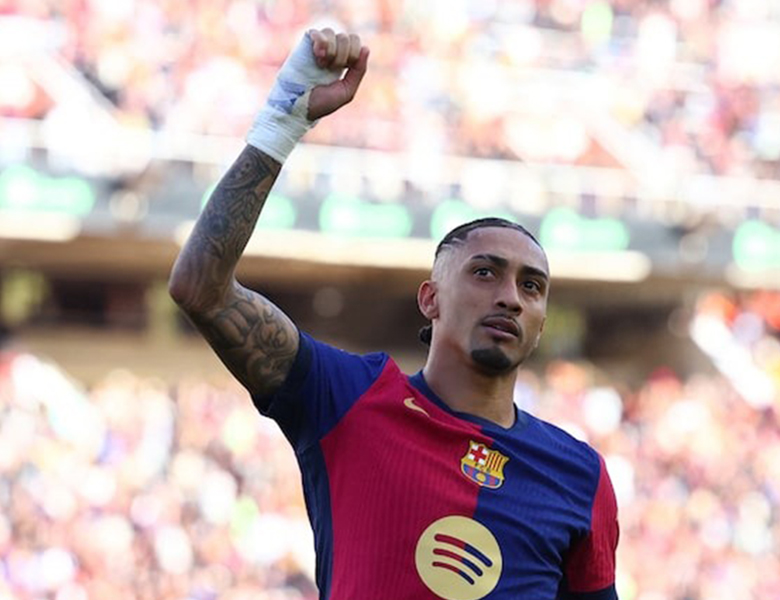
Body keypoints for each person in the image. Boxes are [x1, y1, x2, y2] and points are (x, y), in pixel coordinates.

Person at [169, 27, 619, 600]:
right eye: (485, 273)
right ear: (430, 299)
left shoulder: (579, 476)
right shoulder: (347, 399)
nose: (511, 295)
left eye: (532, 287)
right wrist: (282, 121)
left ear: (542, 321)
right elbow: (200, 289)